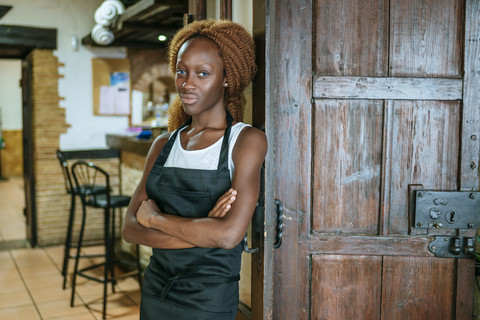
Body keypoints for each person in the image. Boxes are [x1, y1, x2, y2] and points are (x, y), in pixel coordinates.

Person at [122, 19, 267, 320]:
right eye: (181, 71)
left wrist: (156, 219)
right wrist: (204, 228)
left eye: (203, 74)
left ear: (227, 77)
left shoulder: (247, 141)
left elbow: (228, 237)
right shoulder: (164, 144)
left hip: (208, 300)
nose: (187, 84)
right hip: (156, 289)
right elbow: (131, 228)